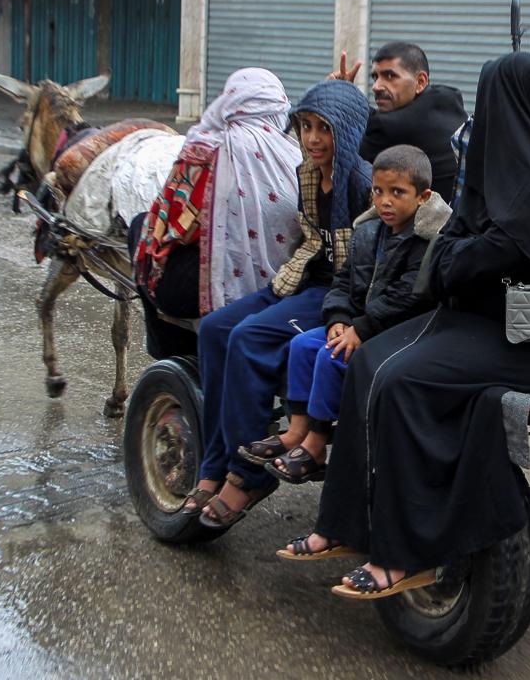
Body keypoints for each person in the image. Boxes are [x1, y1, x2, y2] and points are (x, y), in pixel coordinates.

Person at [284, 53, 530, 599]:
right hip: (496, 317)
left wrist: (462, 257)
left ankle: (408, 552)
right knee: (366, 359)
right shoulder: (505, 173)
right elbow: (455, 258)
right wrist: (462, 257)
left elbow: (460, 260)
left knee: (404, 380)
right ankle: (346, 524)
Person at [188, 79, 373, 529]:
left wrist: (344, 314)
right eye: (305, 126)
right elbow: (313, 241)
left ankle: (248, 475)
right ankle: (214, 464)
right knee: (214, 330)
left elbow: (365, 270)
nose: (311, 139)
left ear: (345, 132)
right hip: (308, 278)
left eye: (323, 129)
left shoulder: (363, 184)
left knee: (249, 339)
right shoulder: (307, 173)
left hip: (342, 294)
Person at [261, 145, 452, 490]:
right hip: (362, 324)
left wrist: (360, 329)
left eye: (398, 193)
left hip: (399, 331)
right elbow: (344, 280)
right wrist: (337, 317)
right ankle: (297, 431)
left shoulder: (429, 239)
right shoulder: (368, 232)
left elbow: (408, 297)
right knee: (303, 344)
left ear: (423, 196)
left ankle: (317, 445)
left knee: (331, 355)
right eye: (378, 192)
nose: (385, 202)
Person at [130, 68, 303, 359]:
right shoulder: (295, 156)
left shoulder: (204, 149)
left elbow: (173, 225)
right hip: (286, 288)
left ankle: (168, 353)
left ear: (230, 100)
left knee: (142, 230)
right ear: (279, 105)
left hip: (208, 295)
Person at [329, 43, 466, 199]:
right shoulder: (448, 97)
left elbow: (337, 156)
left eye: (390, 76)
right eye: (375, 77)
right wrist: (348, 94)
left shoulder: (387, 129)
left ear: (420, 81)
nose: (376, 87)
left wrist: (335, 99)